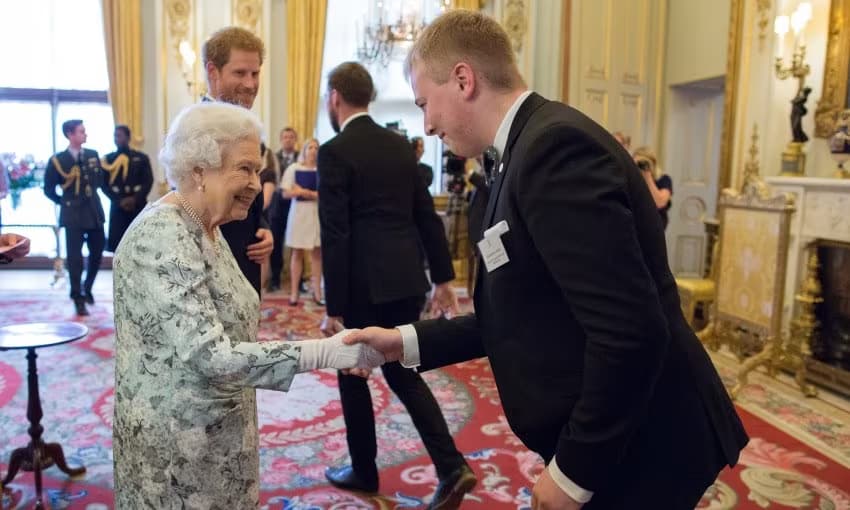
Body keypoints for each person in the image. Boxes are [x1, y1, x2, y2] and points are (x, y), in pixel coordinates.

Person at [344, 10, 749, 510]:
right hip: (621, 429)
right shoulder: (523, 150)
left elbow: (630, 332)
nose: (426, 125)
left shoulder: (553, 148)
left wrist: (574, 474)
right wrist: (399, 342)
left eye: (427, 103)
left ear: (464, 80)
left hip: (643, 439)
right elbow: (517, 313)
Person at [112, 102, 386, 508]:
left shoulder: (208, 227)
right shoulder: (162, 235)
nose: (257, 184)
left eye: (257, 170)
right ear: (199, 170)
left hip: (219, 433)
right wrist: (330, 352)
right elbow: (211, 355)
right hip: (175, 451)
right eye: (244, 168)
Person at [318, 62, 476, 509]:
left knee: (351, 372)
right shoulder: (401, 146)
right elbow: (426, 216)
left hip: (363, 286)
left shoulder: (335, 151)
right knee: (404, 374)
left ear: (335, 97)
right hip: (407, 279)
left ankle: (364, 470)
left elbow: (337, 233)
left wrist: (335, 306)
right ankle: (451, 465)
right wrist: (443, 278)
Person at [201, 26, 273, 296]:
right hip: (210, 275)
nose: (251, 84)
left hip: (247, 263)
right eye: (240, 73)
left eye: (255, 73)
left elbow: (250, 193)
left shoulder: (249, 129)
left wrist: (263, 228)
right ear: (213, 72)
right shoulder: (194, 129)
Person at [43, 119, 106, 316]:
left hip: (94, 212)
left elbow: (101, 181)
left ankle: (87, 288)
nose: (85, 135)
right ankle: (77, 296)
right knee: (75, 258)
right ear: (70, 134)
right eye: (81, 131)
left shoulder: (93, 155)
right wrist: (63, 202)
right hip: (73, 215)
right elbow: (48, 188)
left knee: (97, 254)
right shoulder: (58, 160)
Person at [281, 138, 323, 306]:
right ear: (304, 150)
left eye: (316, 147)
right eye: (310, 147)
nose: (313, 150)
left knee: (317, 254)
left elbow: (326, 194)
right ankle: (294, 292)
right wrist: (297, 192)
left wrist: (304, 192)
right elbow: (285, 193)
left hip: (316, 214)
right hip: (298, 214)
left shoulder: (323, 169)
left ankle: (317, 292)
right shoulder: (294, 168)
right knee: (297, 253)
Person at [101, 125, 154, 252]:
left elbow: (148, 181)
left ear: (128, 137)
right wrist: (119, 201)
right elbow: (103, 185)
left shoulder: (141, 158)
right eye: (115, 136)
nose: (116, 139)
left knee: (140, 243)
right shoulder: (108, 159)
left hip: (137, 205)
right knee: (118, 245)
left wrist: (135, 199)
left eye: (119, 135)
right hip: (118, 206)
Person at [268, 127, 299, 292]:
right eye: (285, 137)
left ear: (295, 139)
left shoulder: (302, 158)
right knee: (276, 243)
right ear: (281, 140)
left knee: (299, 244)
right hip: (277, 207)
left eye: (291, 137)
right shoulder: (273, 158)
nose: (288, 139)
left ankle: (299, 281)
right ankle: (275, 279)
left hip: (298, 205)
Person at [632, 147, 673, 230]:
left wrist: (647, 175)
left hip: (654, 226)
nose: (640, 167)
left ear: (653, 164)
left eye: (644, 163)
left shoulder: (663, 179)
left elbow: (659, 202)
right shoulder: (630, 180)